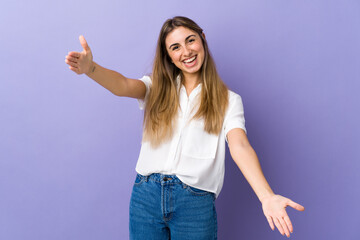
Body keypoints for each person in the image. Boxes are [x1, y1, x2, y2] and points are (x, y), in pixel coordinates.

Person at [65, 16, 305, 240]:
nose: (186, 51)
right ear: (169, 56)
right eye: (175, 47)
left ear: (202, 38)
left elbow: (240, 145)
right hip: (145, 196)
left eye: (190, 40)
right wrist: (91, 69)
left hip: (194, 202)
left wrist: (266, 196)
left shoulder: (228, 100)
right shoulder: (156, 87)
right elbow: (123, 85)